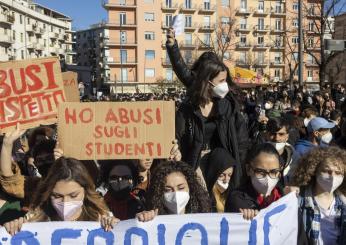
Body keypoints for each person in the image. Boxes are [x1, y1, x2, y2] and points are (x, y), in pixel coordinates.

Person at [175, 56, 249, 188]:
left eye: (225, 80)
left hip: (223, 166)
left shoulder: (228, 106)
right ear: (207, 82)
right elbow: (177, 137)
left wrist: (238, 166)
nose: (225, 85)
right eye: (221, 81)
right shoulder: (187, 108)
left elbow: (241, 141)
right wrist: (177, 150)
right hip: (195, 164)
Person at [4, 157, 118, 235]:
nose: (65, 202)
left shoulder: (101, 218)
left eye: (73, 195)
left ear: (86, 191)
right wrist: (12, 229)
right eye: (57, 196)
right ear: (48, 193)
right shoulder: (34, 218)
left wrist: (116, 227)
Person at [291, 147, 346, 245]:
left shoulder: (344, 204)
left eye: (338, 173)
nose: (332, 177)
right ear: (314, 171)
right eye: (326, 171)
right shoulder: (298, 201)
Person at [136, 161, 211, 222]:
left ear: (190, 188)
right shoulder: (153, 221)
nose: (175, 193)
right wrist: (142, 219)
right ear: (159, 193)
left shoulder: (205, 219)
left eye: (181, 188)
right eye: (168, 190)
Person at [225, 143, 283, 218]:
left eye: (273, 172)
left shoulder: (284, 196)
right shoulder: (237, 199)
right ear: (248, 169)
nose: (268, 178)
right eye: (260, 172)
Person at [266, 118, 298, 185]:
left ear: (287, 136)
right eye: (273, 134)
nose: (277, 138)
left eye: (281, 134)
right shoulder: (256, 155)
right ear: (267, 135)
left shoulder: (295, 157)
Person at [205, 148, 237, 212]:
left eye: (229, 175)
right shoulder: (205, 197)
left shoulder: (233, 195)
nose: (226, 180)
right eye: (221, 175)